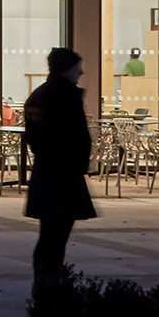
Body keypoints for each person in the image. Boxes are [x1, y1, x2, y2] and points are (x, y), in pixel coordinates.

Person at [23, 45, 96, 283]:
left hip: (46, 171)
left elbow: (33, 136)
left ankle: (44, 279)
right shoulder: (65, 97)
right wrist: (79, 163)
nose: (81, 72)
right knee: (56, 234)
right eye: (77, 67)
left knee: (49, 233)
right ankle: (49, 281)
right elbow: (75, 135)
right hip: (63, 175)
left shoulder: (38, 95)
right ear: (67, 69)